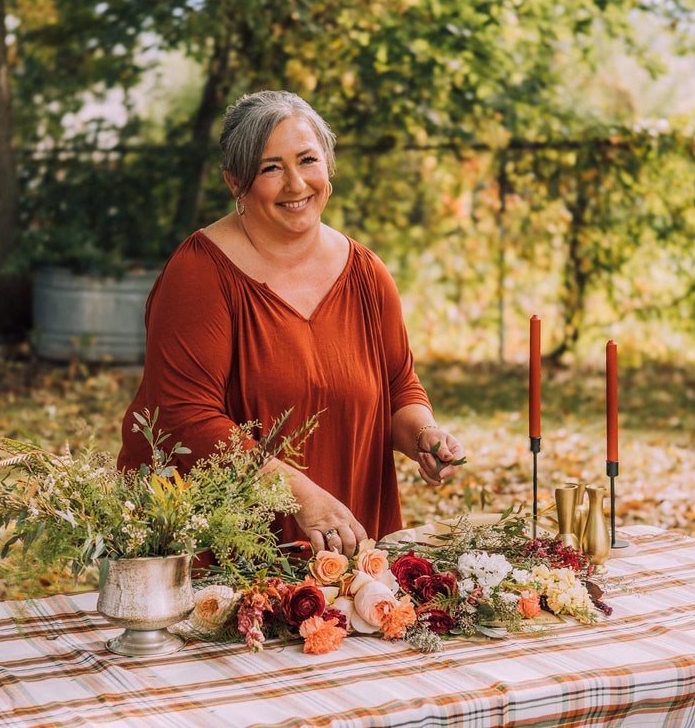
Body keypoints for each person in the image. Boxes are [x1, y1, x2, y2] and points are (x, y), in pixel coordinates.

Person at [117, 90, 465, 557]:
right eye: (270, 168)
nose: (296, 183)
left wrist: (424, 435)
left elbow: (399, 387)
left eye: (308, 160)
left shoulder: (366, 273)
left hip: (347, 543)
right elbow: (185, 419)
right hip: (227, 555)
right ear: (234, 181)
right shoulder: (199, 274)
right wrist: (301, 496)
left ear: (329, 167)